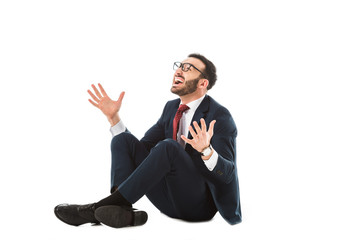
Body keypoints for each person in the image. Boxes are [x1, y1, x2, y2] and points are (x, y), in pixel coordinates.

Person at [54, 53, 242, 228]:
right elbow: (142, 153)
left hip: (198, 208)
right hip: (168, 202)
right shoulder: (171, 109)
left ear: (203, 83)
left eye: (188, 68)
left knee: (168, 147)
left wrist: (207, 151)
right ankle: (123, 211)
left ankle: (95, 209)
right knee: (122, 140)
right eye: (179, 66)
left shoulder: (220, 116)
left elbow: (227, 174)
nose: (178, 70)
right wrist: (114, 118)